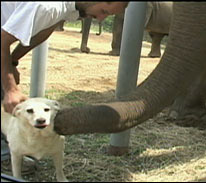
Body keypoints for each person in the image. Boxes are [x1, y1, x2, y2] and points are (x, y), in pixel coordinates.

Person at [1, 1, 129, 175]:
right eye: (103, 11)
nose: (101, 18)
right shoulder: (47, 6)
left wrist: (13, 61)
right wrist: (10, 88)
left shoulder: (68, 8)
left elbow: (43, 31)